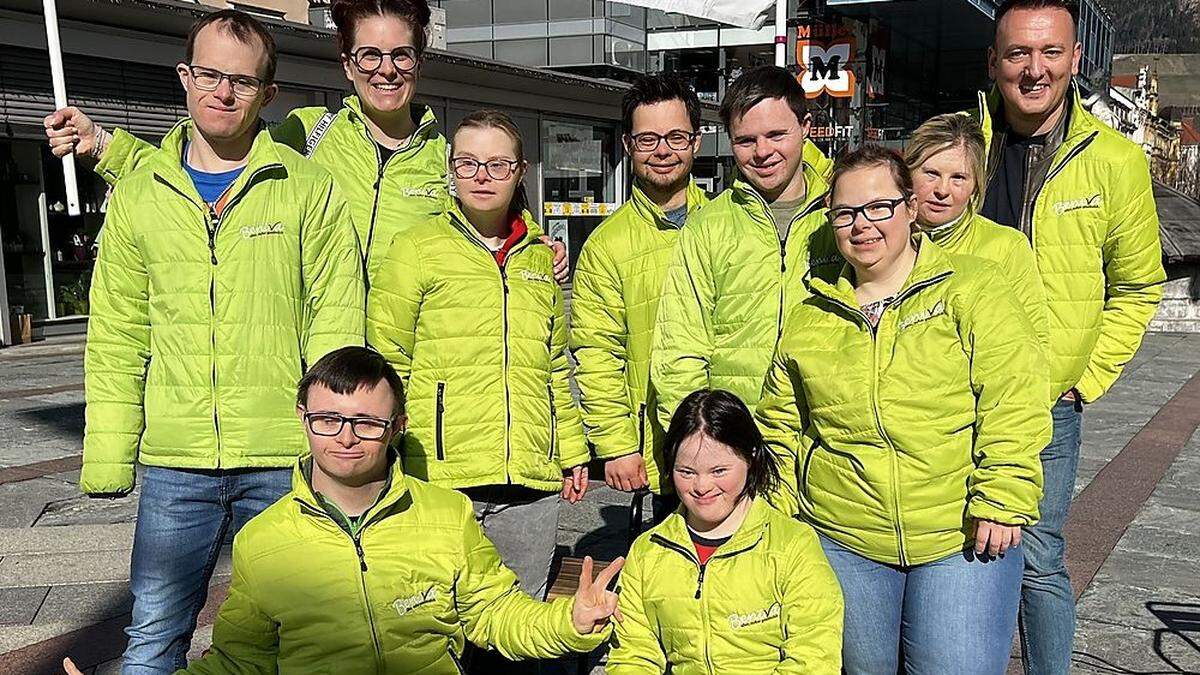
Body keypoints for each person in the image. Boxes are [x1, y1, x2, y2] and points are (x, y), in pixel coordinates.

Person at [80, 10, 364, 673]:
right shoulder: (140, 194)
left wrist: (331, 442)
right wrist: (110, 453)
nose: (222, 91)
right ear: (184, 77)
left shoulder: (306, 189)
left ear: (268, 92)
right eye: (208, 73)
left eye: (241, 79)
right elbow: (117, 333)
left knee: (299, 638)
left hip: (281, 455)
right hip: (176, 462)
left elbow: (337, 327)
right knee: (152, 637)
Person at [64, 347, 623, 675]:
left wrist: (568, 622)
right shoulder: (264, 540)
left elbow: (496, 615)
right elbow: (241, 664)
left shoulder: (446, 515)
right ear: (303, 417)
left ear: (397, 427)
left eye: (367, 422)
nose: (346, 438)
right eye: (328, 419)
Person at [757, 145, 1050, 674]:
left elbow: (1016, 394)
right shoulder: (809, 318)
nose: (862, 225)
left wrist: (1004, 490)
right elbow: (782, 425)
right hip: (846, 536)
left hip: (957, 532)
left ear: (910, 209)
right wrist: (776, 517)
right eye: (845, 213)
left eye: (879, 207)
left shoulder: (973, 287)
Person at [43, 0, 568, 286]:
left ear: (419, 62)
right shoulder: (306, 133)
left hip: (413, 360)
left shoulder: (447, 157)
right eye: (369, 55)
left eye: (401, 55)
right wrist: (102, 145)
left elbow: (502, 225)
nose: (386, 70)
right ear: (347, 65)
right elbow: (193, 167)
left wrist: (544, 249)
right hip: (320, 362)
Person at [976, 2, 1166, 671]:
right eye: (1019, 54)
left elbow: (1139, 286)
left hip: (1046, 400)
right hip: (952, 390)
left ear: (1076, 57)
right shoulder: (960, 145)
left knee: (1036, 556)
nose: (1035, 70)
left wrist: (1085, 381)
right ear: (994, 61)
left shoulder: (1114, 160)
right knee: (952, 545)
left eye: (1050, 52)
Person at [367, 110, 588, 606]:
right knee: (436, 619)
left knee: (518, 620)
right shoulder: (417, 249)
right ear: (450, 172)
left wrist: (572, 450)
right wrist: (383, 455)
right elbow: (387, 363)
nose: (482, 176)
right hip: (442, 476)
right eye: (467, 163)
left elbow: (553, 365)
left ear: (520, 172)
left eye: (497, 164)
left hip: (529, 481)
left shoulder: (537, 258)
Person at [650, 65, 837, 432]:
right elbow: (679, 349)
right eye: (746, 140)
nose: (763, 152)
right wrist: (700, 440)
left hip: (826, 437)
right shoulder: (708, 226)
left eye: (776, 134)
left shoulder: (843, 220)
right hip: (737, 437)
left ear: (806, 128)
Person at [607, 389, 843, 674]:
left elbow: (814, 656)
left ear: (751, 458)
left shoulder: (793, 544)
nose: (702, 486)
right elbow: (633, 655)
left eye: (719, 471)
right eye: (687, 472)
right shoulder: (649, 550)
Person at [570, 74, 707, 522]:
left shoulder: (733, 223)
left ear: (696, 142)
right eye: (648, 139)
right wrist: (617, 444)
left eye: (675, 137)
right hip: (655, 449)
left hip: (732, 444)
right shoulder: (607, 244)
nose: (662, 150)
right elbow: (596, 353)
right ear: (628, 145)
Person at [904, 113, 1049, 352]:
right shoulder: (882, 238)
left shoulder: (1007, 247)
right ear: (908, 173)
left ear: (975, 185)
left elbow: (1033, 346)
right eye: (931, 173)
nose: (942, 190)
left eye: (958, 178)